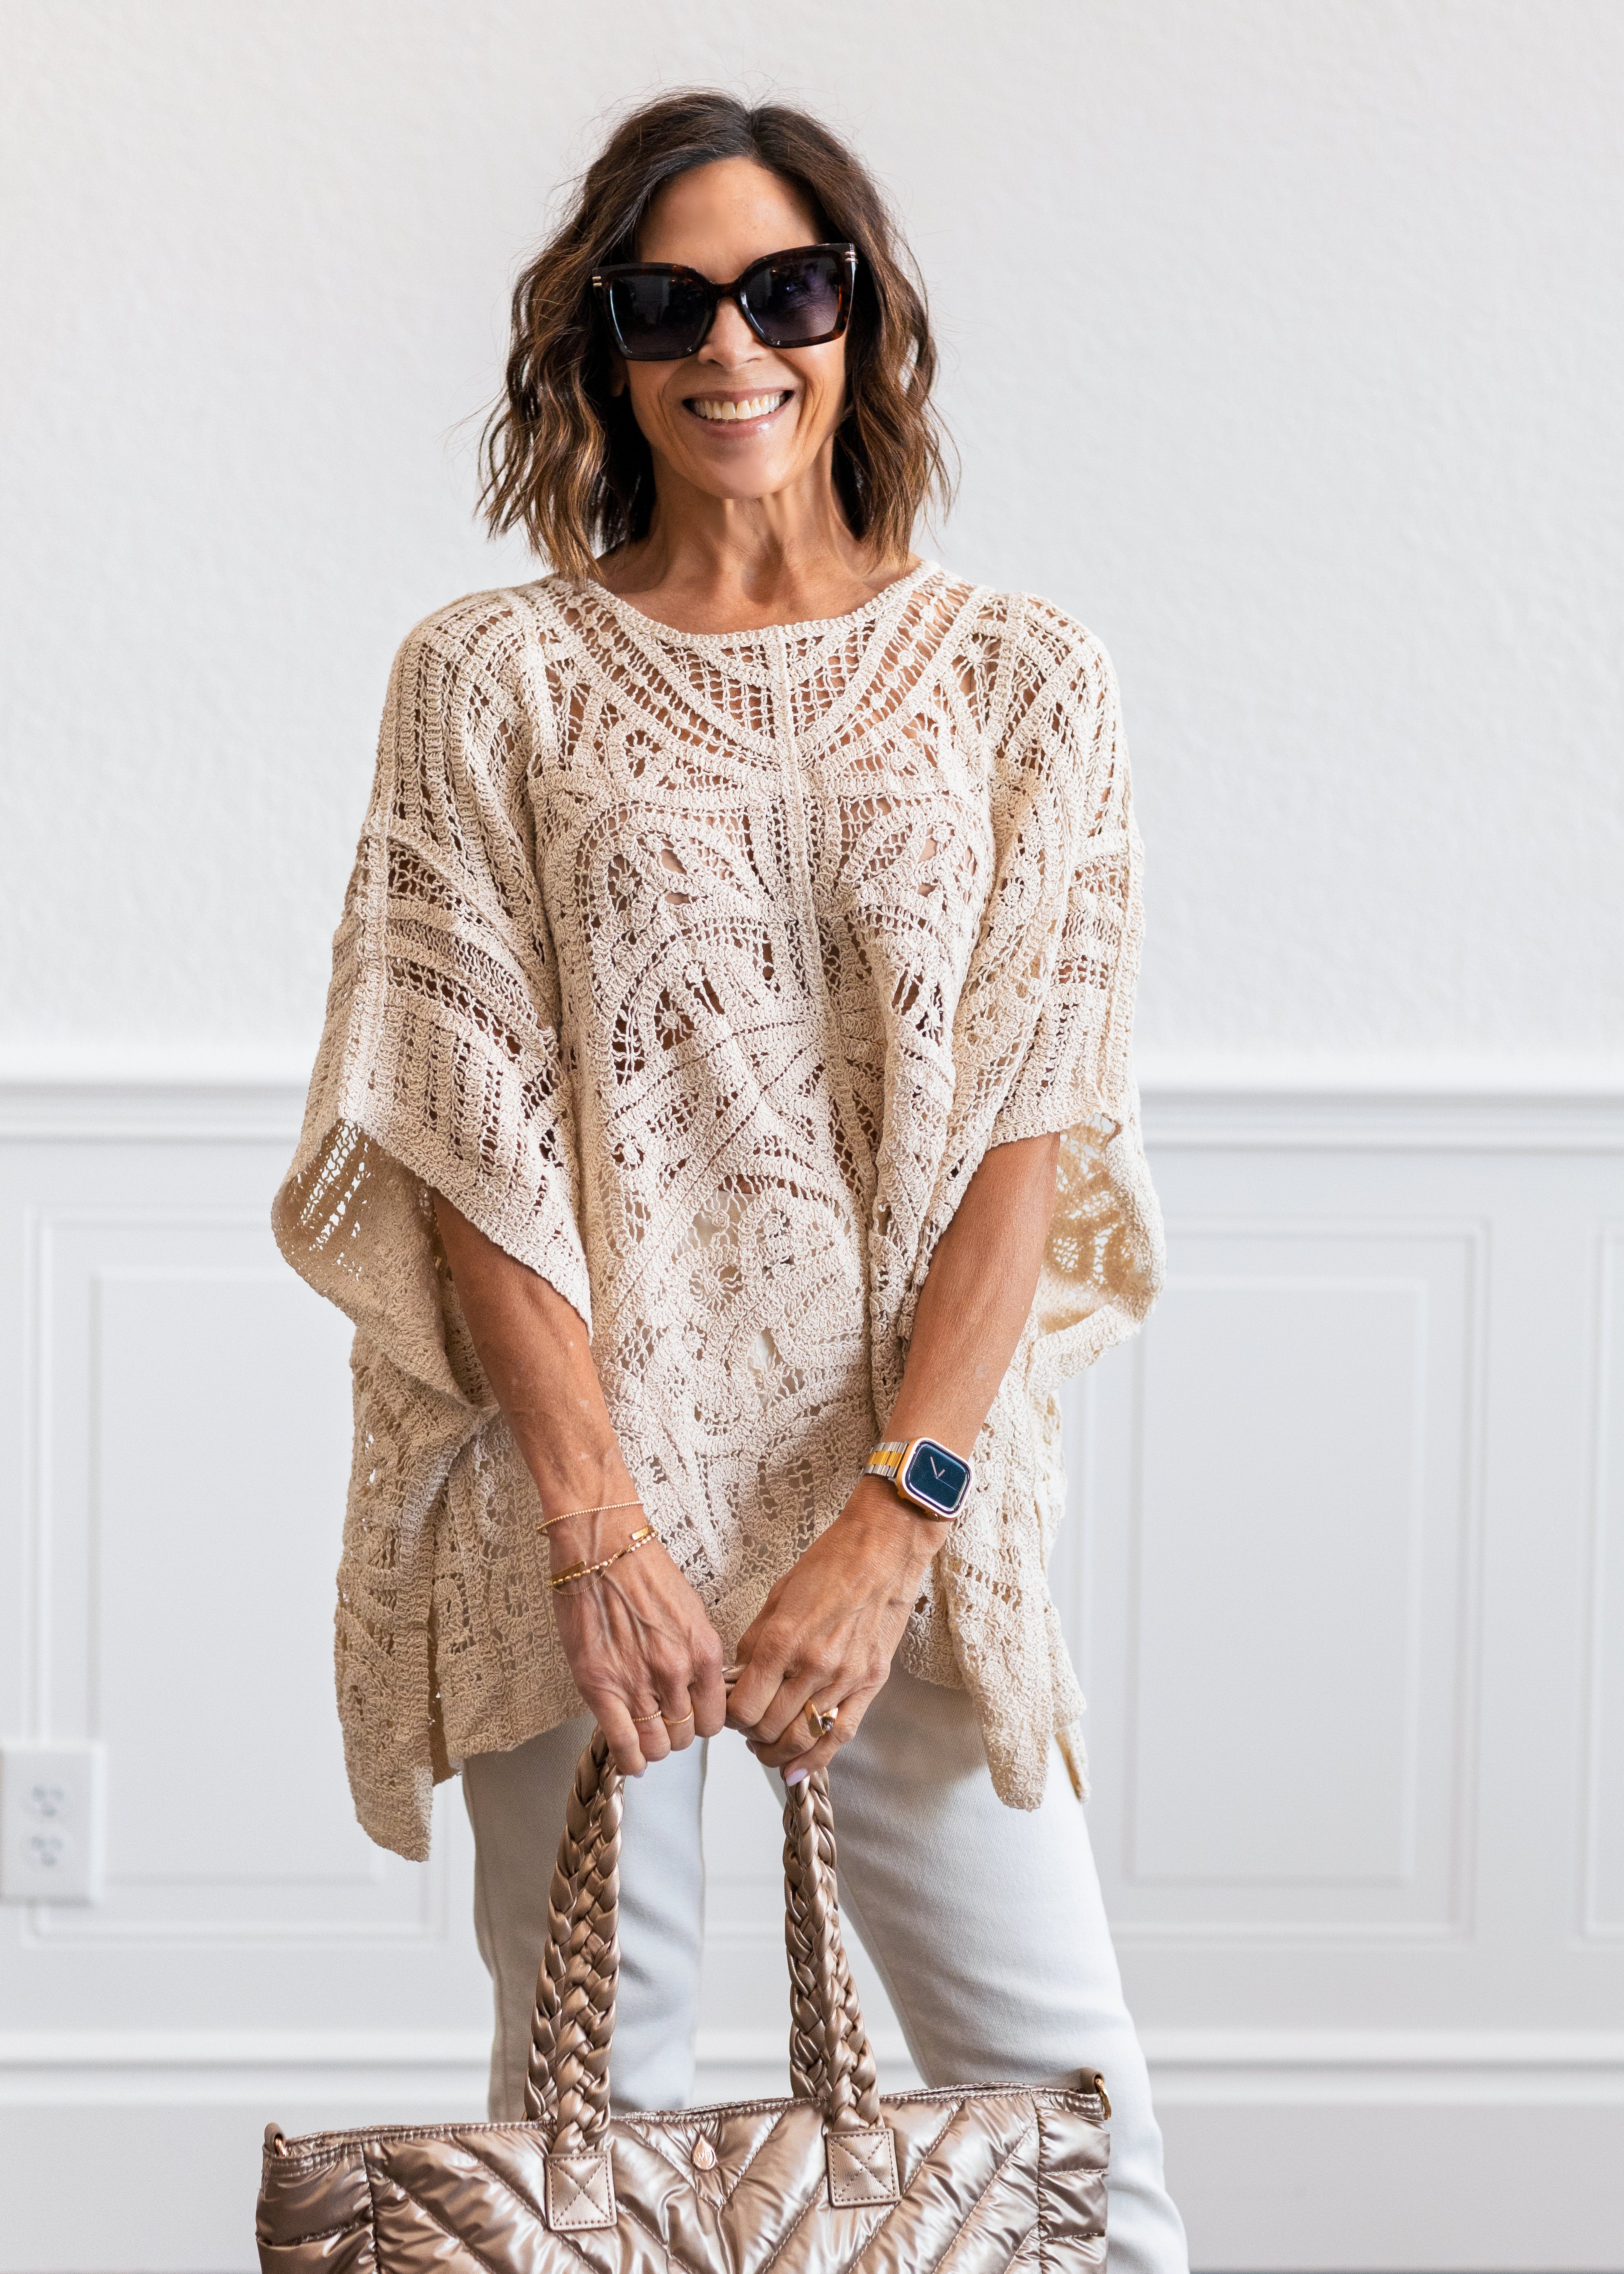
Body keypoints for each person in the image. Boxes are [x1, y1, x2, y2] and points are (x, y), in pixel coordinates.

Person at [272, 89, 1184, 2274]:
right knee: (594, 2167)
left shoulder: (1022, 679)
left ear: (863, 317)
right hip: (584, 1529)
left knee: (1093, 2161)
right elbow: (471, 1138)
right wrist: (599, 1532)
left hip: (906, 1512)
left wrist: (896, 1524)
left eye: (787, 290)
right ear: (599, 346)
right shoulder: (490, 681)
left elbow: (1030, 1130)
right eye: (667, 304)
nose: (732, 347)